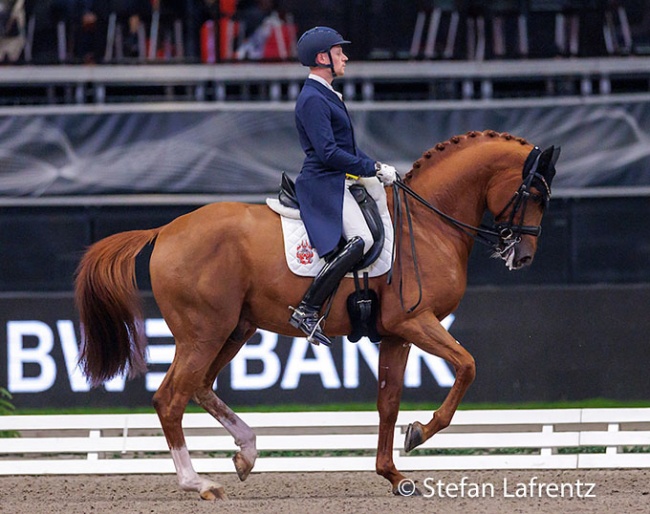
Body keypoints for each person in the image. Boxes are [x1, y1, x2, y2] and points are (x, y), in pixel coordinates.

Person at [288, 26, 397, 347]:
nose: (344, 57)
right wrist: (370, 168)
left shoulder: (326, 94)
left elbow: (346, 148)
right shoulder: (312, 98)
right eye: (339, 53)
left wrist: (375, 168)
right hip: (324, 183)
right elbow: (329, 153)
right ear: (322, 58)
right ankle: (307, 308)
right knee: (361, 238)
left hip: (338, 178)